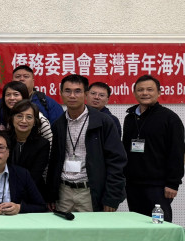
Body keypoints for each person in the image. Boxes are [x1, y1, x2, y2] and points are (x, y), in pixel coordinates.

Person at [48, 74, 126, 213]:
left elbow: (116, 161)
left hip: (90, 192)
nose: (72, 95)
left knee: (92, 228)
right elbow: (53, 162)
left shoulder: (103, 122)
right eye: (67, 91)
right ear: (61, 94)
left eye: (77, 91)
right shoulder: (58, 124)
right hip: (64, 192)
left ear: (85, 94)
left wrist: (111, 197)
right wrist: (51, 194)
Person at [123, 75, 184, 222]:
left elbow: (177, 152)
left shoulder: (170, 118)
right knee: (138, 225)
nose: (145, 93)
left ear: (159, 92)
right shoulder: (130, 118)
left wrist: (173, 183)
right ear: (134, 93)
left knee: (159, 226)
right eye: (140, 90)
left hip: (158, 186)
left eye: (149, 89)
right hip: (132, 184)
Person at [6, 100, 49, 197]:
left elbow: (35, 175)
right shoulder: (3, 139)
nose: (24, 121)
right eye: (19, 116)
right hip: (4, 190)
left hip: (31, 192)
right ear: (12, 119)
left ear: (35, 121)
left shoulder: (42, 144)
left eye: (29, 117)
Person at [0, 65, 64, 124]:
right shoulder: (1, 103)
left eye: (26, 76)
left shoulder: (47, 102)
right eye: (17, 76)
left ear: (33, 82)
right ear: (12, 81)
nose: (21, 79)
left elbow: (58, 128)